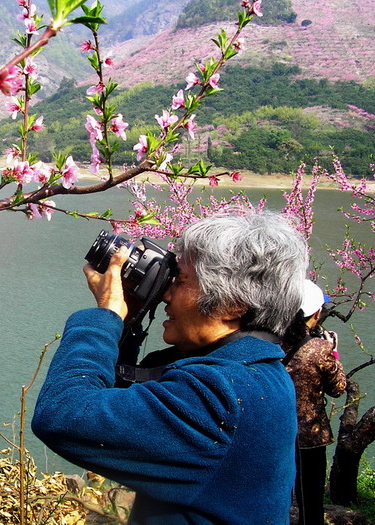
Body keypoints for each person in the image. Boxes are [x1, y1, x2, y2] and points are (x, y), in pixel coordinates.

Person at [32, 210, 310, 524]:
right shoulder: (259, 371)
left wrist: (105, 315)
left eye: (179, 281)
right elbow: (124, 403)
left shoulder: (220, 395)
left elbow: (62, 414)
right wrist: (130, 319)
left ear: (233, 305)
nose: (165, 294)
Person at [282, 279, 347, 525]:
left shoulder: (271, 341)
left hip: (277, 430)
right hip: (310, 435)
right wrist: (334, 352)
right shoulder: (320, 349)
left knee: (278, 493)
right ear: (317, 313)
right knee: (310, 497)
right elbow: (338, 389)